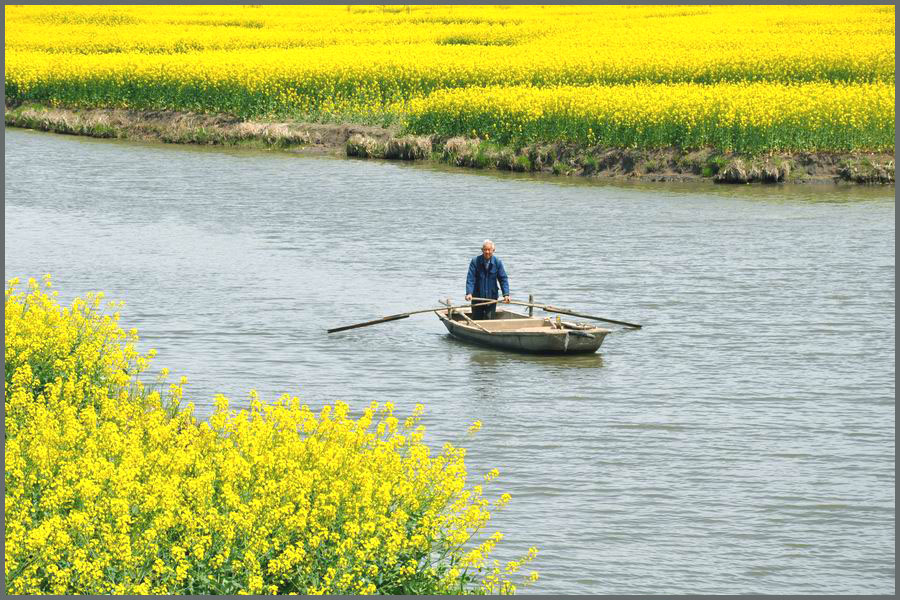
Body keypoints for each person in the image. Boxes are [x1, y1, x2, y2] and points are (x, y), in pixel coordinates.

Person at [465, 239, 510, 320]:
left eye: (489, 250)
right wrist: (469, 293)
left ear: (493, 250)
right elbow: (470, 278)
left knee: (489, 320)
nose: (487, 252)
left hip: (491, 298)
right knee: (476, 319)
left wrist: (506, 294)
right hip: (477, 297)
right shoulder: (475, 261)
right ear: (482, 250)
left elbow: (503, 279)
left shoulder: (497, 262)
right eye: (485, 250)